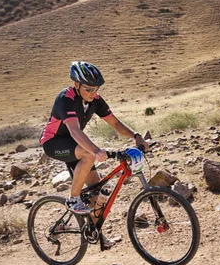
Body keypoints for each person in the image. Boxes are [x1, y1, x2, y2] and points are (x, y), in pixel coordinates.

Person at [40, 61, 148, 220]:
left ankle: (96, 235)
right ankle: (73, 200)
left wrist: (136, 136)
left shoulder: (96, 100)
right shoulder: (65, 98)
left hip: (75, 145)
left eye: (96, 89)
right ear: (76, 84)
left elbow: (115, 123)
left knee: (97, 196)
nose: (93, 93)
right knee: (89, 155)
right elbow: (75, 130)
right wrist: (96, 151)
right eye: (88, 89)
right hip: (54, 143)